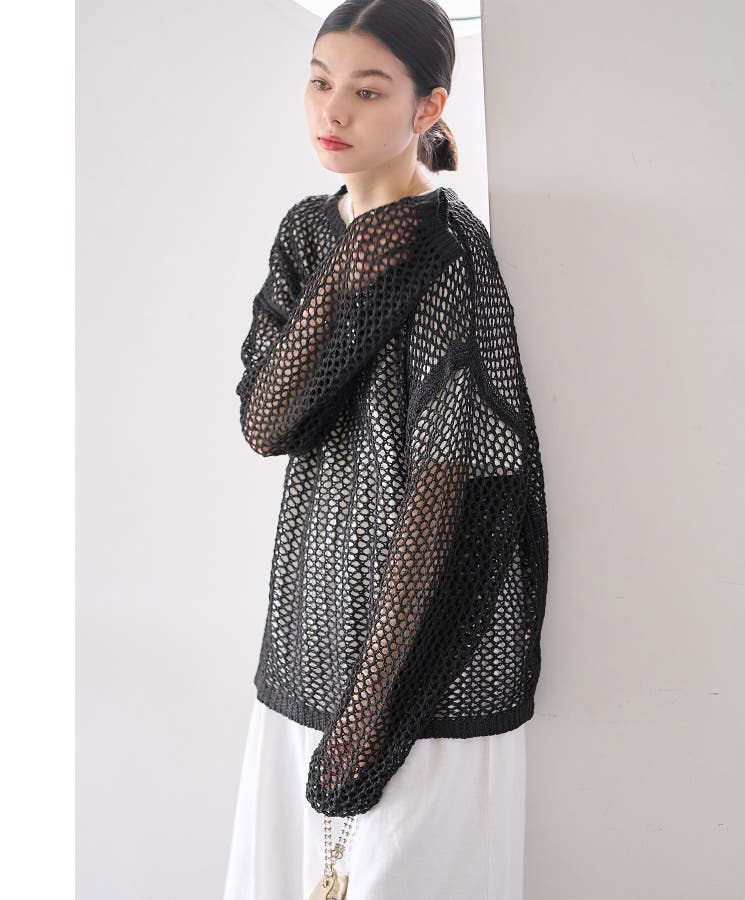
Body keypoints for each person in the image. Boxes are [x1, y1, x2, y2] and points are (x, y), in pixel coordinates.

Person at [222, 2, 549, 898]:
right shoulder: (307, 233)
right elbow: (266, 424)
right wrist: (348, 273)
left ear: (428, 106)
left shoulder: (448, 249)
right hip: (306, 635)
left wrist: (374, 705)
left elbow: (452, 485)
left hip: (417, 665)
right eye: (319, 82)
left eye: (367, 92)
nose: (333, 110)